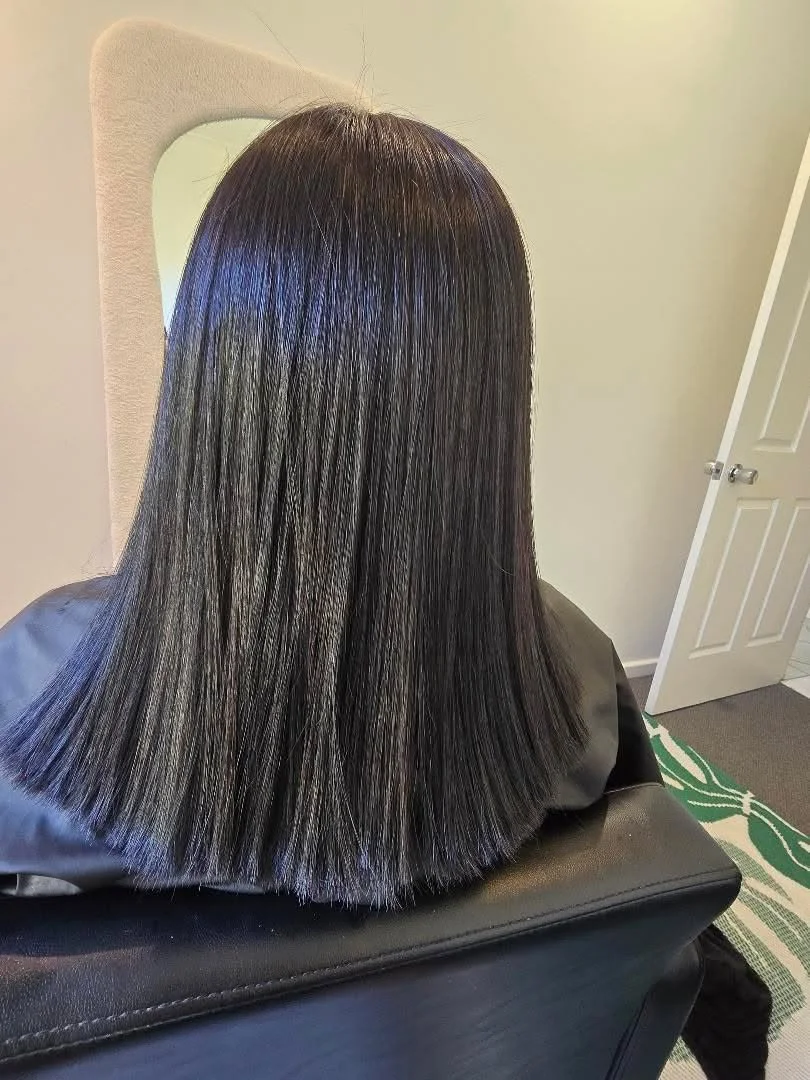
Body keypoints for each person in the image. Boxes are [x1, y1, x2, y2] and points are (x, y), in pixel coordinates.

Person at [0, 104, 661, 904]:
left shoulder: (36, 671)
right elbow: (630, 864)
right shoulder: (576, 661)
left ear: (212, 361)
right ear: (491, 385)